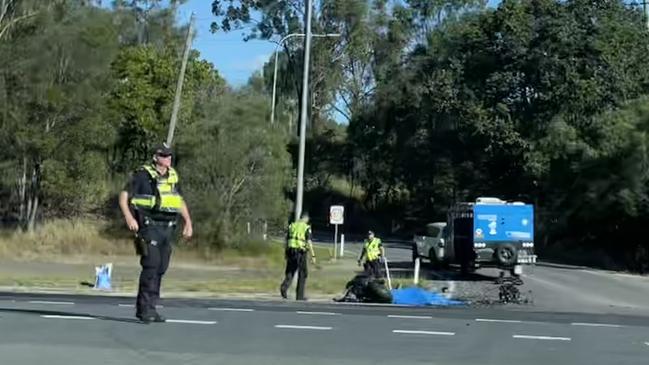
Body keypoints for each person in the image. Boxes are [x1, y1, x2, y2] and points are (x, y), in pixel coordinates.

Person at [118, 143, 193, 323]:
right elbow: (123, 196)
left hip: (167, 227)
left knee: (161, 268)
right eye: (164, 155)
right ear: (155, 157)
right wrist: (129, 217)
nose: (168, 158)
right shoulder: (142, 175)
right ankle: (143, 309)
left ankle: (152, 307)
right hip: (148, 225)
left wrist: (188, 222)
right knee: (151, 265)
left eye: (169, 155)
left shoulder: (173, 177)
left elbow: (179, 201)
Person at [280, 213, 316, 300]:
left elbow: (286, 240)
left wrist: (286, 253)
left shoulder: (292, 226)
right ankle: (300, 296)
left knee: (290, 271)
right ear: (306, 219)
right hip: (301, 252)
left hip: (291, 251)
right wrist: (313, 255)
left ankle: (284, 287)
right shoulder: (306, 227)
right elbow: (309, 242)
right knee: (303, 273)